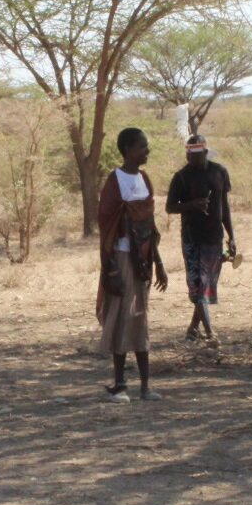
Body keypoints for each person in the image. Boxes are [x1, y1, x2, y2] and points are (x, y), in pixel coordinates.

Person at [97, 126, 169, 402]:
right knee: (121, 319)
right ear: (127, 150)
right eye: (142, 146)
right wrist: (111, 270)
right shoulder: (114, 181)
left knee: (140, 318)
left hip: (143, 260)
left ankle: (145, 386)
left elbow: (149, 227)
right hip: (121, 258)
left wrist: (159, 263)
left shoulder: (144, 179)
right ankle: (120, 385)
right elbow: (107, 228)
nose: (146, 151)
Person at [166, 134, 236, 344]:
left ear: (205, 153)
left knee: (207, 284)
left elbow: (224, 207)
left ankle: (193, 329)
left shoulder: (219, 172)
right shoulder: (181, 177)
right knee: (197, 284)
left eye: (197, 155)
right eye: (189, 155)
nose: (192, 159)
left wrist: (232, 236)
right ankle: (210, 333)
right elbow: (170, 207)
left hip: (214, 236)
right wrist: (192, 205)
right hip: (192, 237)